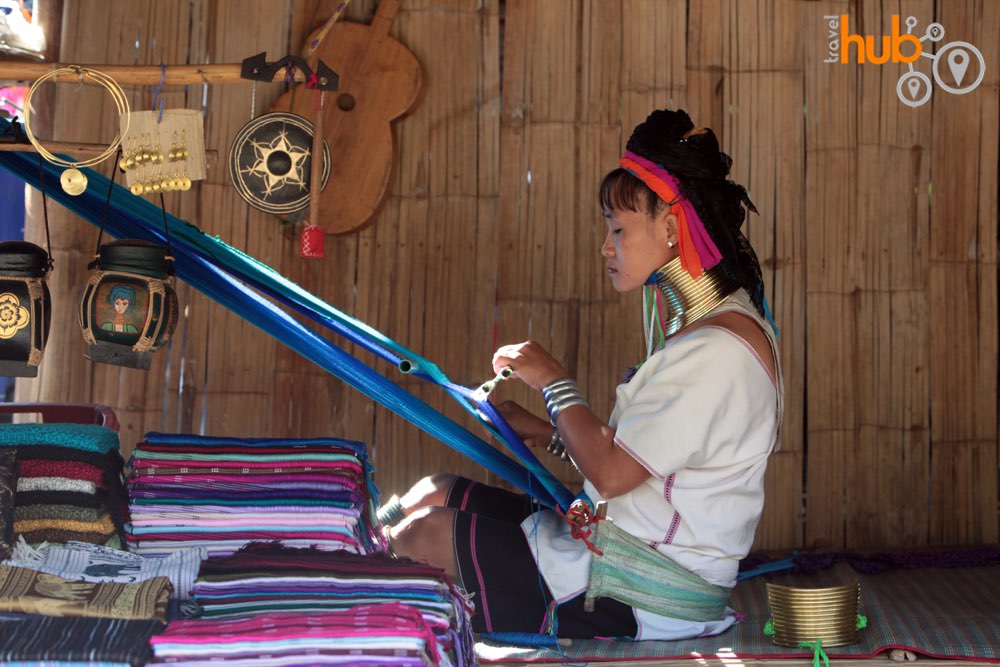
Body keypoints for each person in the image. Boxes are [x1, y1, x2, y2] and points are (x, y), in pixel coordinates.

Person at [382, 108, 783, 640]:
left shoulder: (717, 351)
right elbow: (649, 463)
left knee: (426, 536)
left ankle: (333, 590)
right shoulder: (714, 332)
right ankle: (346, 547)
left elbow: (616, 474)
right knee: (437, 491)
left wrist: (553, 380)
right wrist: (544, 432)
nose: (606, 245)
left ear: (670, 228)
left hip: (643, 588)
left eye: (617, 228)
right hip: (611, 552)